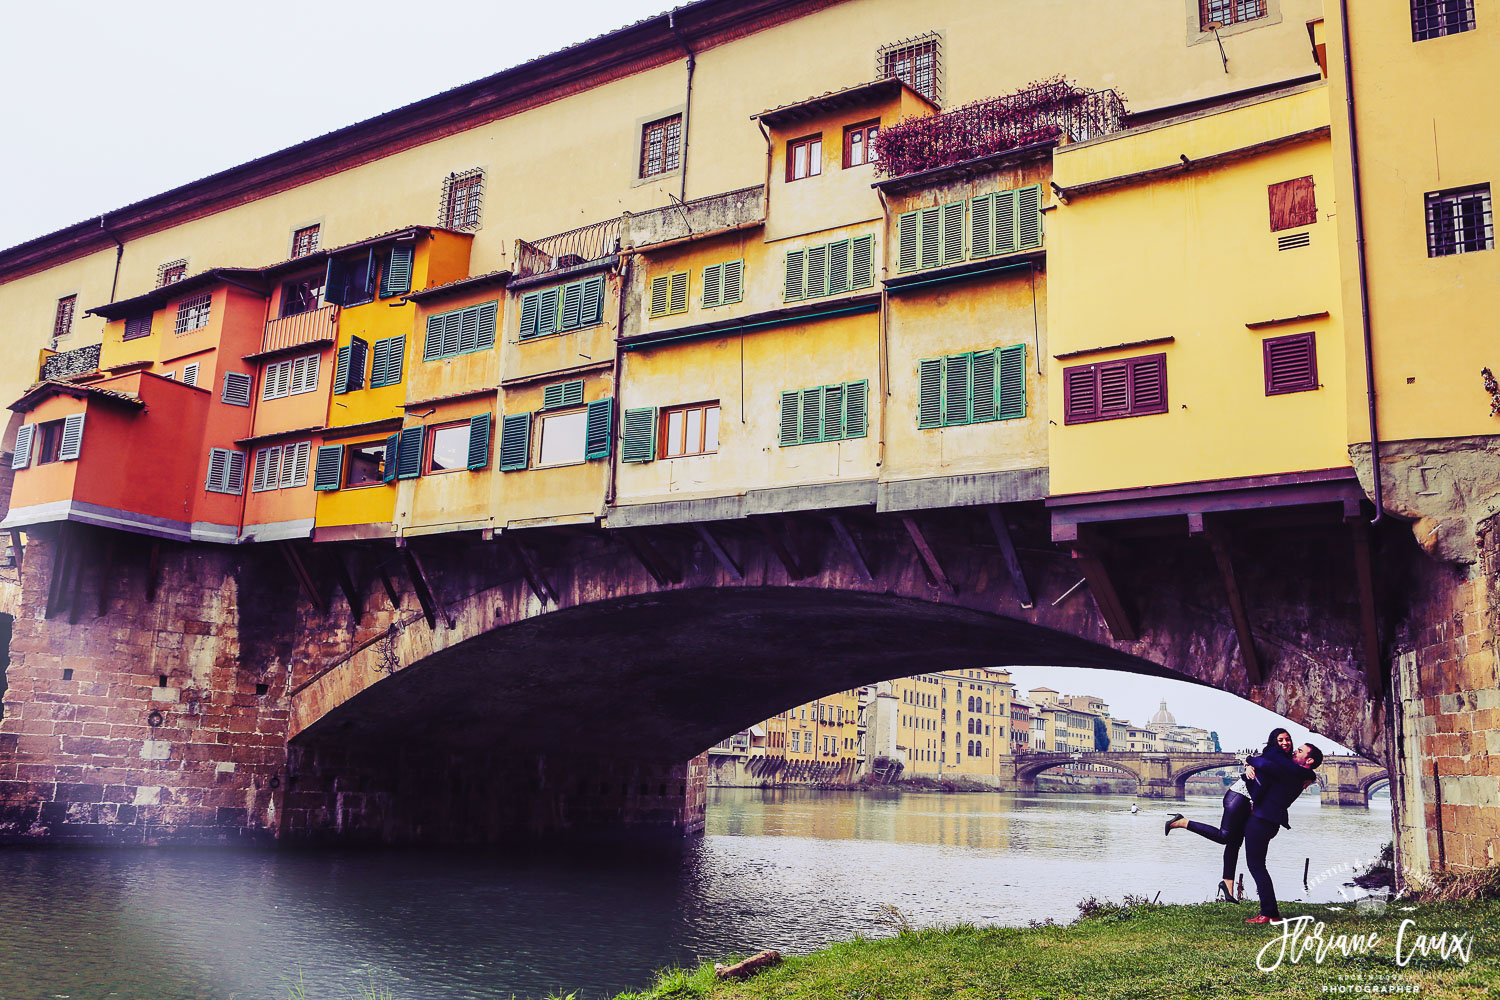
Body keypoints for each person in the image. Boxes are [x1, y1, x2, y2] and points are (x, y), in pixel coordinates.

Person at [1164, 728, 1295, 901]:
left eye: (1288, 739)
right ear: (1273, 742)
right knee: (1224, 836)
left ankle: (1228, 888)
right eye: (1280, 740)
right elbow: (1254, 760)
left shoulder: (1286, 760)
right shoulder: (1270, 755)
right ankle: (1182, 822)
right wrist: (1249, 765)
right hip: (1239, 797)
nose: (1285, 743)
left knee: (1235, 843)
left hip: (1250, 803)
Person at [1240, 741, 1322, 924]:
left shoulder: (1294, 772)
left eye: (1299, 751)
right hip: (1269, 820)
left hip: (1262, 820)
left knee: (1257, 867)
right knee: (1258, 866)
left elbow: (1265, 764)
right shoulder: (1302, 774)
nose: (1294, 752)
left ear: (1308, 760)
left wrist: (1248, 760)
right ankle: (1270, 912)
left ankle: (1269, 912)